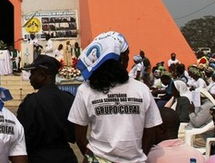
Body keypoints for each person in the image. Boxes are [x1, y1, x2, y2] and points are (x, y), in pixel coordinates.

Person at [68, 31, 162, 163]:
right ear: (122, 59)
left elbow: (79, 135)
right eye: (127, 54)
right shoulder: (142, 90)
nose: (129, 59)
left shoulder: (85, 90)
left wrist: (93, 158)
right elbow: (150, 132)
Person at [17, 55, 77, 162]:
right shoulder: (69, 99)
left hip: (39, 157)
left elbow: (23, 137)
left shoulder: (31, 102)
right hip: (66, 157)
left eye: (32, 73)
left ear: (42, 75)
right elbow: (75, 133)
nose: (30, 77)